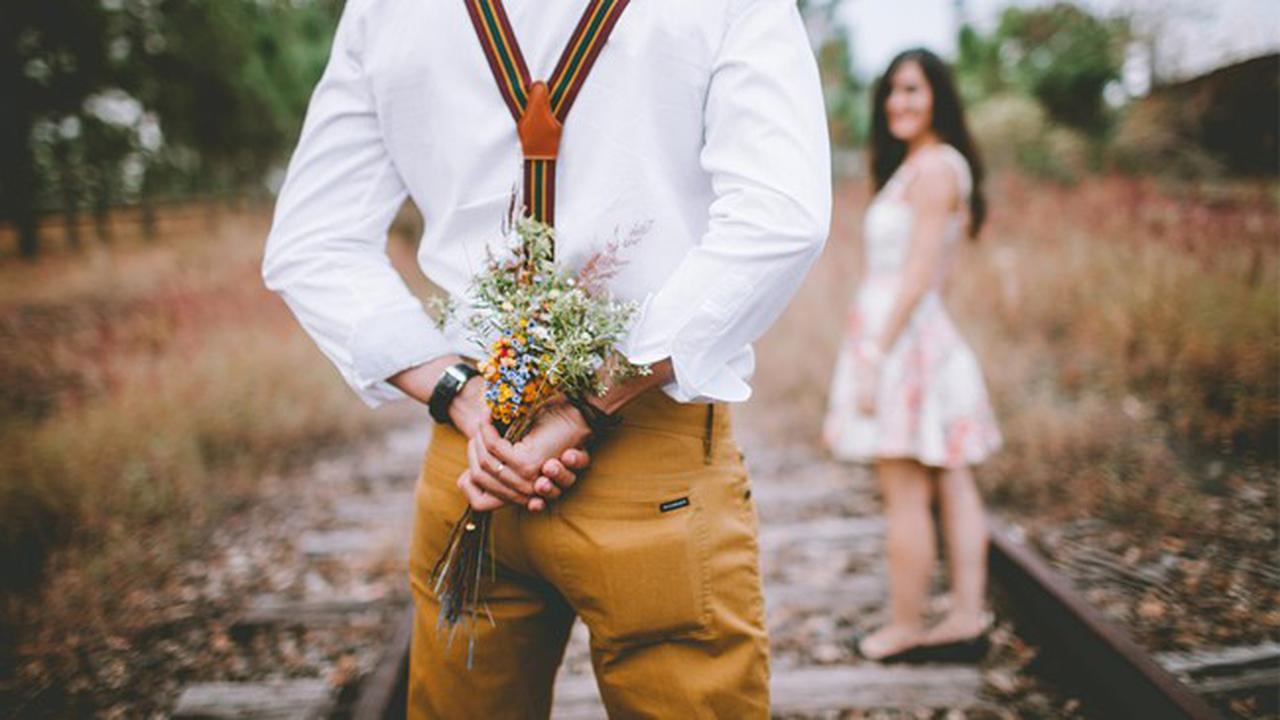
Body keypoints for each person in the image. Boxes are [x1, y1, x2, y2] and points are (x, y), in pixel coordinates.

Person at [261, 0, 831, 716]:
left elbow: (311, 243)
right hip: (651, 457)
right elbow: (782, 217)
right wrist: (588, 402)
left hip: (476, 461)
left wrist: (463, 397)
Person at [822, 48, 1002, 664]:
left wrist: (875, 353)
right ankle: (963, 618)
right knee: (951, 478)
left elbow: (921, 272)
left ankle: (906, 627)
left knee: (905, 489)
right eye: (892, 92)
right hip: (914, 333)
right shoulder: (926, 165)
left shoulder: (933, 170)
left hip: (901, 341)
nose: (899, 103)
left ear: (938, 98)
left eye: (912, 90)